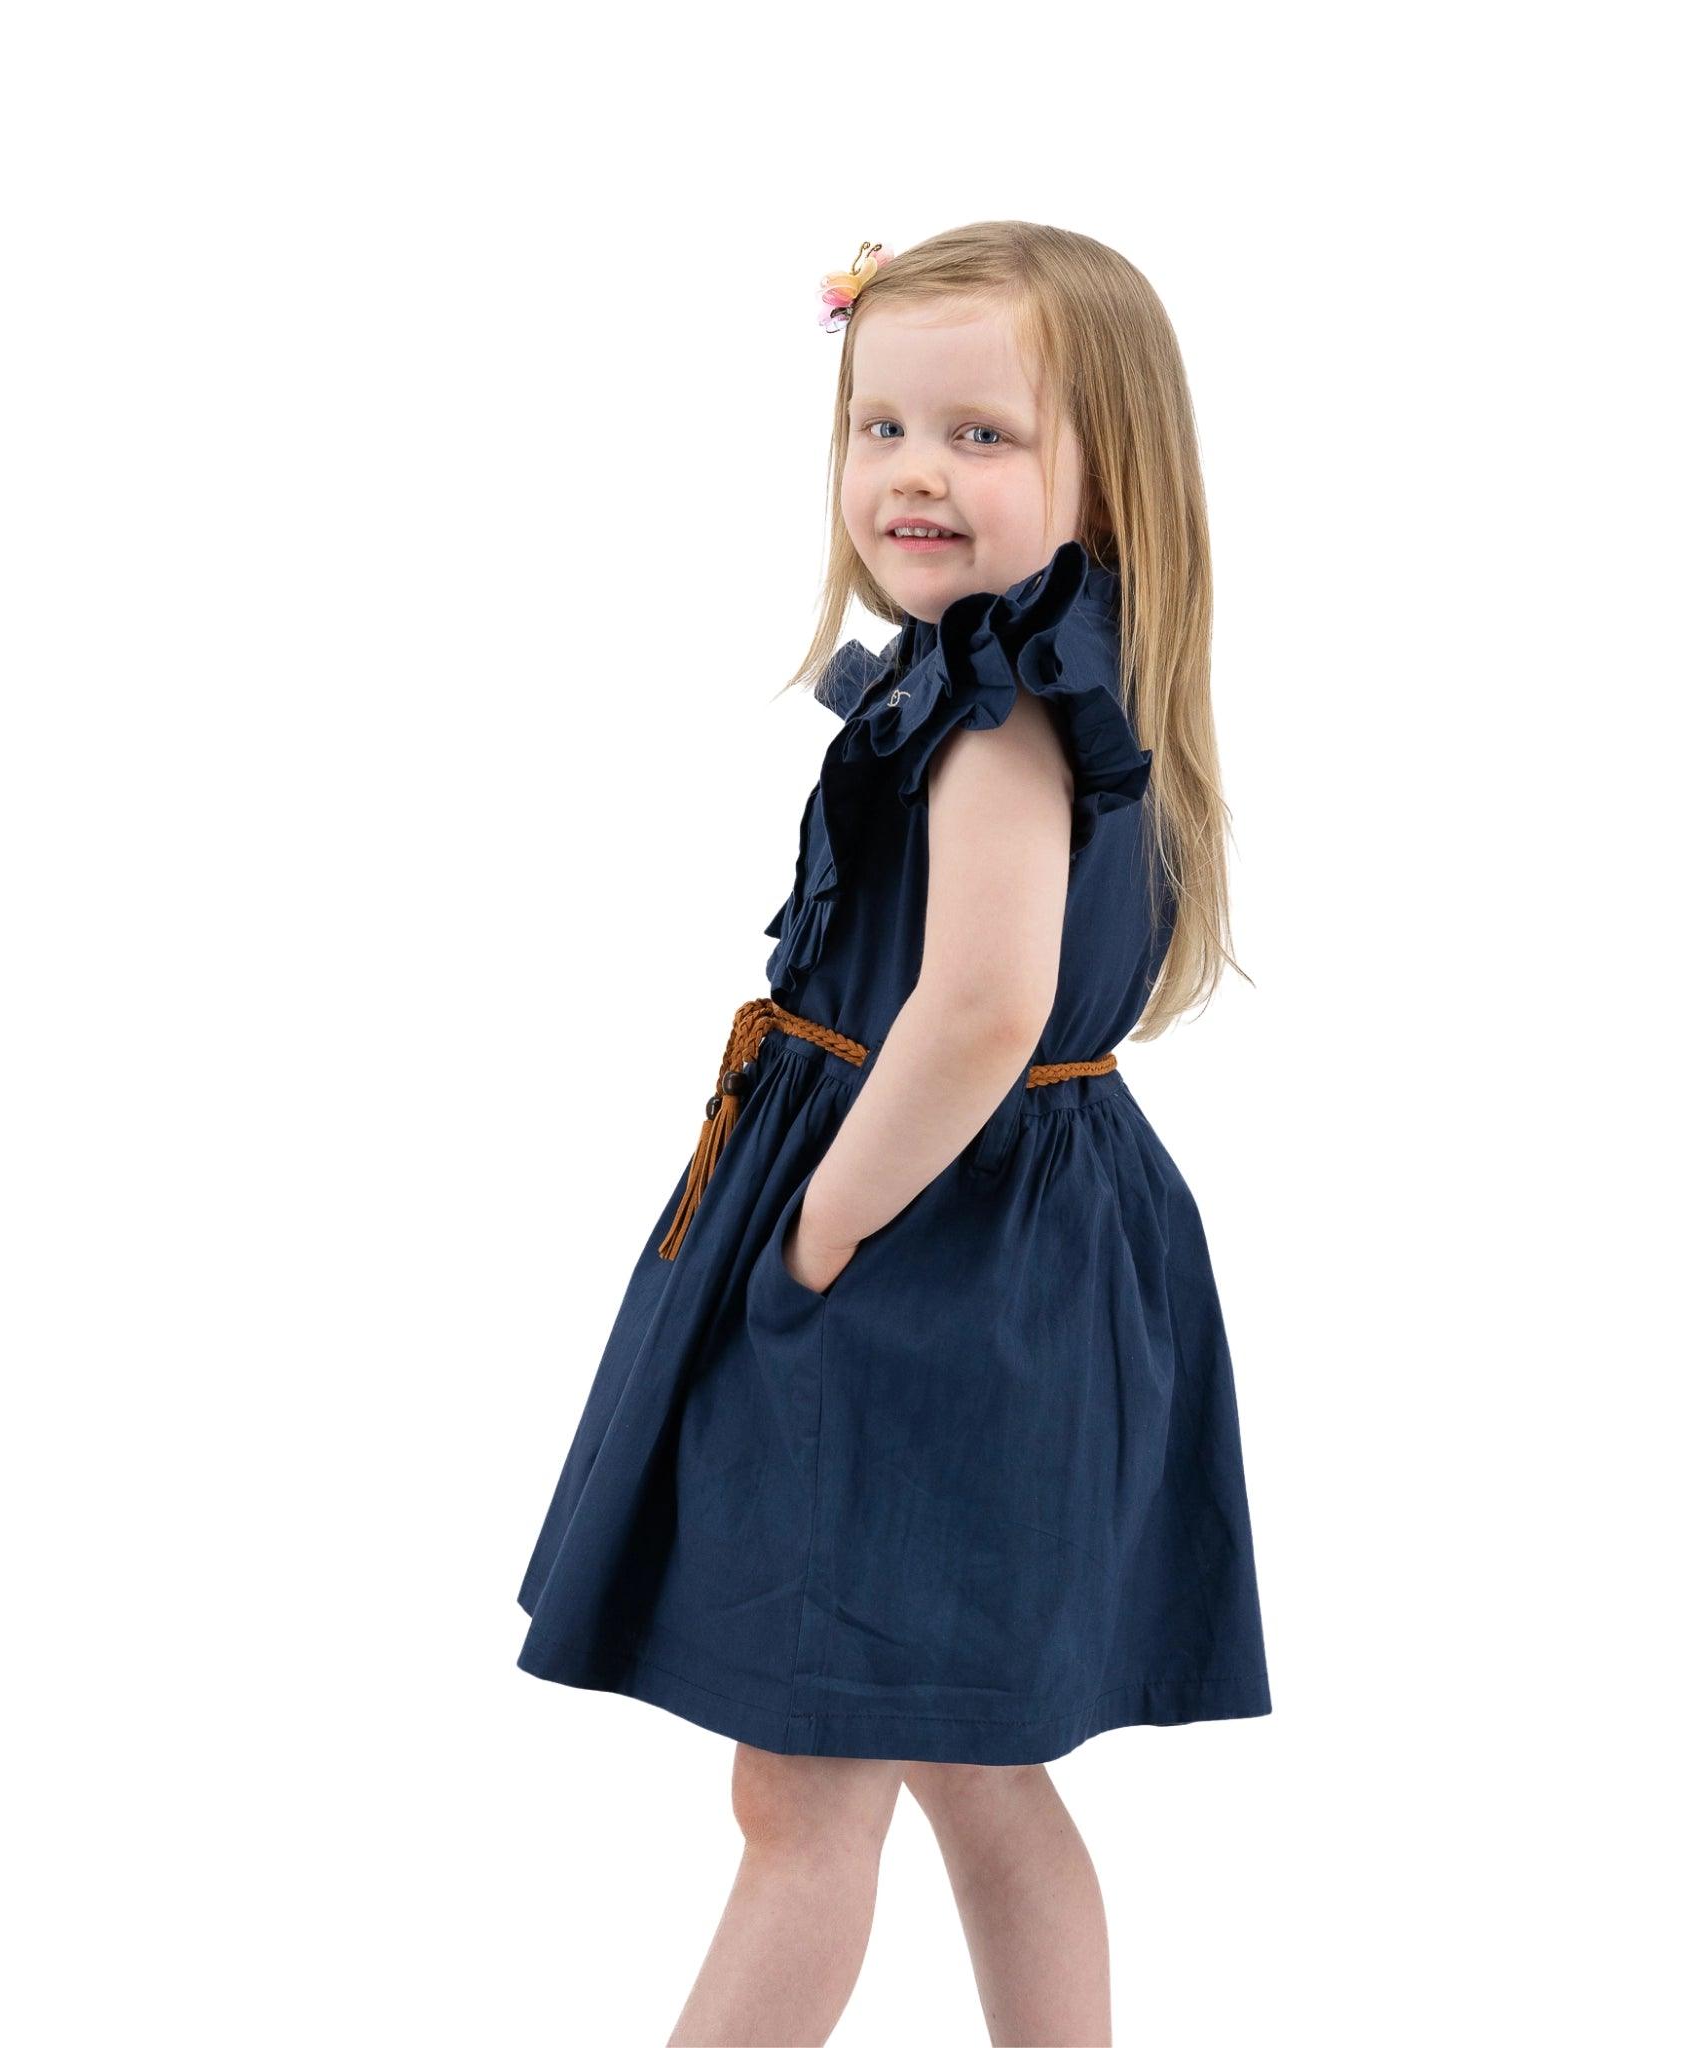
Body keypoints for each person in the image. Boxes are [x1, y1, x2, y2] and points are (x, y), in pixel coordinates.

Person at [515, 220, 1271, 2046]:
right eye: (881, 427)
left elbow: (983, 1011)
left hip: (919, 1252)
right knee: (970, 1755)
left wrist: (821, 1228)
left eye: (983, 436)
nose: (914, 474)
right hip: (1005, 1242)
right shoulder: (1022, 687)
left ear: (1113, 471)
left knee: (807, 1790)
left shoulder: (1000, 719)